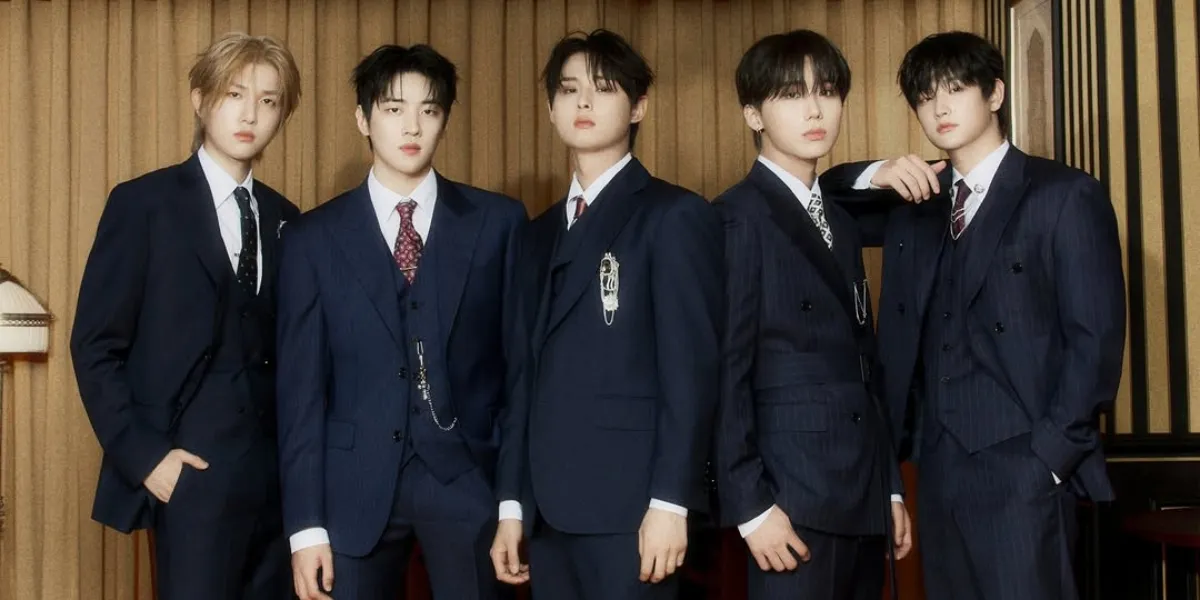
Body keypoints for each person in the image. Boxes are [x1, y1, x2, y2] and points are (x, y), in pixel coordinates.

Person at [821, 31, 1126, 600]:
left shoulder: (1063, 194)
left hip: (1026, 463)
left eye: (956, 89)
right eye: (925, 96)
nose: (939, 107)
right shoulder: (917, 201)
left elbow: (1096, 340)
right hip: (937, 466)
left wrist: (1050, 460)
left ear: (995, 94)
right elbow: (819, 198)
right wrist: (878, 171)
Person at [275, 44, 527, 600]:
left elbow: (519, 372)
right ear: (363, 118)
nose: (412, 126)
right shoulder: (312, 239)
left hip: (466, 480)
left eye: (429, 110)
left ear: (445, 119)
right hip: (352, 487)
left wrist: (512, 502)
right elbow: (299, 394)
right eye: (393, 109)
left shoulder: (498, 222)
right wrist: (305, 528)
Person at [490, 28, 723, 600]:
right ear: (551, 108)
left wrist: (671, 501)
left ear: (638, 105)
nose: (584, 102)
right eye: (568, 90)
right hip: (548, 510)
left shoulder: (673, 215)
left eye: (604, 87)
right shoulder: (536, 233)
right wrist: (512, 504)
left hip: (633, 508)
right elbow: (522, 378)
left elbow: (691, 373)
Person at [71, 32, 302, 600]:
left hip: (279, 486)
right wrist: (147, 459)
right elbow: (95, 346)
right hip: (190, 476)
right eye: (234, 94)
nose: (250, 114)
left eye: (268, 101)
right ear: (200, 100)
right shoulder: (144, 205)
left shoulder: (289, 220)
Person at [713, 29, 911, 600]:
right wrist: (751, 507)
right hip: (789, 497)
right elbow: (724, 372)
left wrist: (889, 488)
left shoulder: (841, 223)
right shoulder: (735, 218)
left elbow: (865, 364)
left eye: (826, 91)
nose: (815, 109)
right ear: (753, 114)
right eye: (791, 94)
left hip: (861, 490)